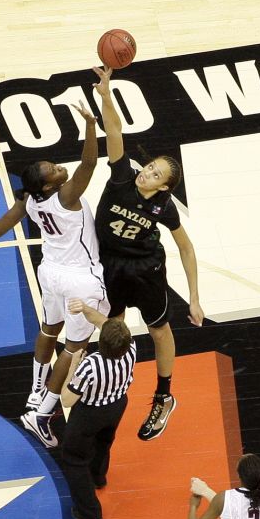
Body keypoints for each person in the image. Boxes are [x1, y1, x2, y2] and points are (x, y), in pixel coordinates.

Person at [0, 102, 107, 447]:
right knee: (73, 348)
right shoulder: (65, 196)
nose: (59, 167)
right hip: (80, 277)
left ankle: (37, 389)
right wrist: (91, 124)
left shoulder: (29, 200)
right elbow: (91, 163)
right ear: (49, 186)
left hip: (50, 272)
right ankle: (42, 413)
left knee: (49, 329)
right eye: (52, 169)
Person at [90, 65, 204, 442]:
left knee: (159, 331)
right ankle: (108, 381)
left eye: (156, 175)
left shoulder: (164, 208)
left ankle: (163, 396)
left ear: (165, 187)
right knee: (113, 329)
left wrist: (195, 299)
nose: (147, 175)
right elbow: (115, 130)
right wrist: (106, 94)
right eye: (150, 168)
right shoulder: (122, 175)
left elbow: (185, 247)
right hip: (112, 265)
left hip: (146, 270)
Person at [54, 301, 134, 519]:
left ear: (101, 342)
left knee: (73, 458)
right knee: (103, 442)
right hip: (117, 404)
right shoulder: (131, 349)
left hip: (90, 414)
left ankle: (91, 515)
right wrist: (87, 310)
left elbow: (67, 399)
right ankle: (98, 477)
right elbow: (105, 323)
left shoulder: (90, 365)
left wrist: (73, 366)